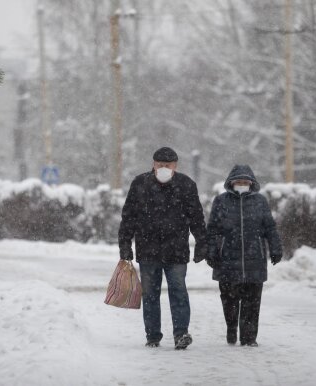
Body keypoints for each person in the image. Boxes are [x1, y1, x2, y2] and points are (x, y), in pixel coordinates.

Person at [118, 147, 208, 349]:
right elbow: (128, 217)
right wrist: (124, 244)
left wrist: (202, 242)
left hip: (176, 251)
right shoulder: (140, 184)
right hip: (148, 250)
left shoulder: (186, 185)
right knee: (150, 294)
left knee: (178, 292)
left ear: (175, 166)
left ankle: (181, 334)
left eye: (168, 165)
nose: (164, 168)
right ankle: (152, 335)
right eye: (160, 165)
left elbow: (196, 217)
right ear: (153, 164)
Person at [206, 164, 283, 347]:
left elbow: (269, 227)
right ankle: (231, 328)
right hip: (227, 260)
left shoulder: (260, 201)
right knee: (229, 302)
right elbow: (212, 230)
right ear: (231, 183)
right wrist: (211, 251)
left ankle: (249, 338)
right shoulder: (221, 201)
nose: (242, 184)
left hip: (254, 260)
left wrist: (276, 248)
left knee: (252, 303)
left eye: (245, 181)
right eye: (238, 181)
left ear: (251, 183)